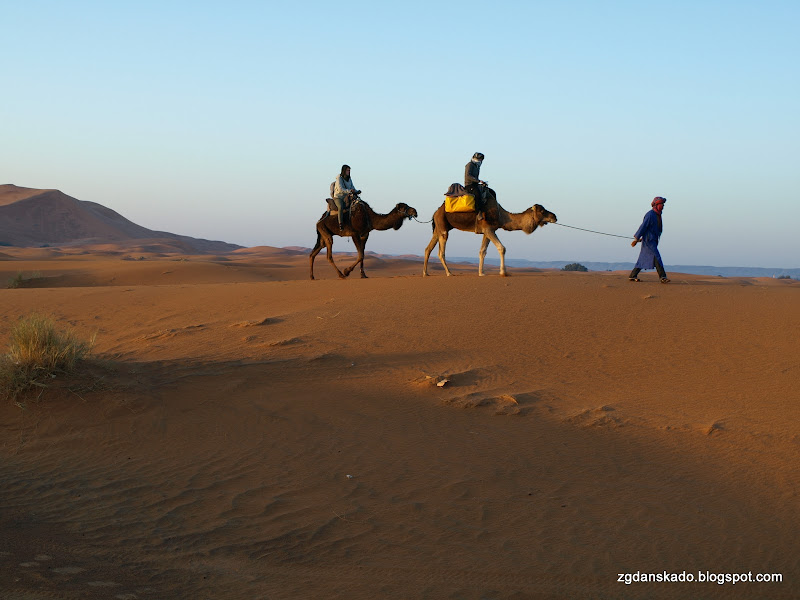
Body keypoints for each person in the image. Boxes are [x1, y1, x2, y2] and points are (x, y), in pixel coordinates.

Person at [630, 196, 670, 283]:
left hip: (652, 240)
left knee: (643, 258)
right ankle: (662, 277)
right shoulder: (650, 214)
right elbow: (643, 227)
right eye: (661, 204)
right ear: (656, 205)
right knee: (657, 257)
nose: (663, 206)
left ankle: (633, 275)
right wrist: (636, 238)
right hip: (649, 241)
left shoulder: (657, 215)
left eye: (663, 204)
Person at [332, 165, 360, 231]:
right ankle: (340, 224)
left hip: (346, 196)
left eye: (349, 170)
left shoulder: (349, 178)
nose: (349, 172)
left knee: (356, 205)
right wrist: (350, 191)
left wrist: (356, 191)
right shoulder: (339, 178)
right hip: (338, 197)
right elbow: (340, 189)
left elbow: (352, 187)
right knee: (340, 207)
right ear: (344, 171)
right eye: (347, 170)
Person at [464, 152, 485, 219]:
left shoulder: (477, 167)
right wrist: (478, 181)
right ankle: (478, 213)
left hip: (475, 184)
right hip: (469, 185)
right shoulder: (469, 165)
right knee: (477, 194)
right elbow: (468, 176)